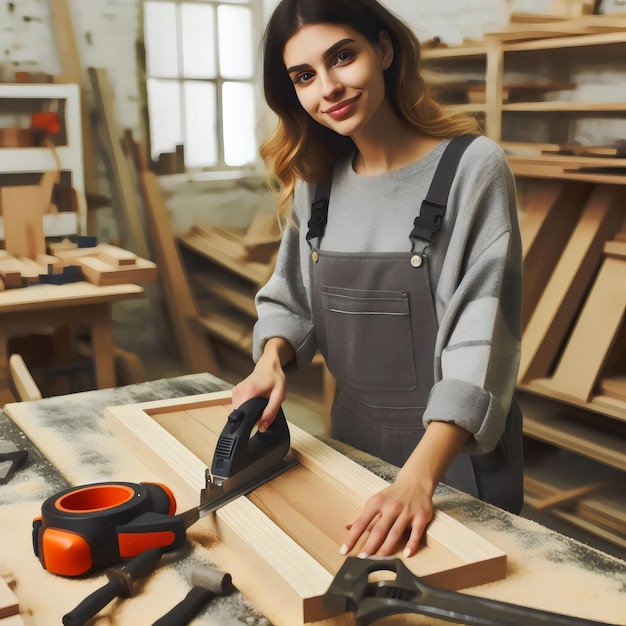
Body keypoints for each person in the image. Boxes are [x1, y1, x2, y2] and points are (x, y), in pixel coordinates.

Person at [232, 0, 524, 560]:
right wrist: (270, 358)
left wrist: (419, 479)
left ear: (384, 49)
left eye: (343, 57)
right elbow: (289, 298)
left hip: (452, 461)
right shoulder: (318, 182)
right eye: (305, 76)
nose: (330, 88)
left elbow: (480, 340)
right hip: (353, 448)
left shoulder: (473, 168)